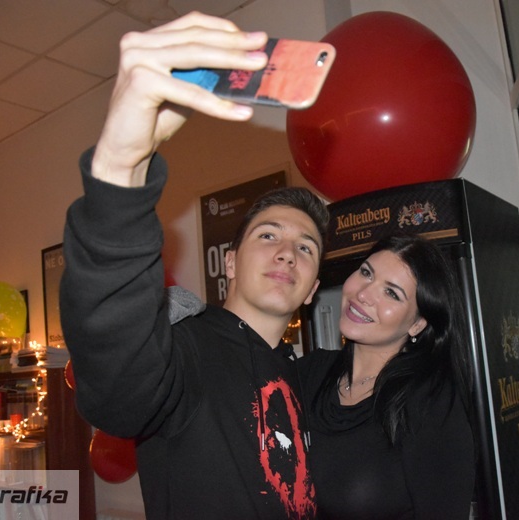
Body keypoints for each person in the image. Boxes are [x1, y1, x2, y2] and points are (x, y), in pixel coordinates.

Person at [59, 12, 329, 519]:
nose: (287, 252)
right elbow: (119, 392)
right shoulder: (183, 352)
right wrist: (120, 168)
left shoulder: (303, 377)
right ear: (229, 262)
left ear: (313, 288)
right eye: (268, 235)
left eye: (306, 248)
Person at [298, 233, 476, 519]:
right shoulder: (309, 372)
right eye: (366, 273)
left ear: (418, 324)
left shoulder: (429, 404)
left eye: (392, 293)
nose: (364, 294)